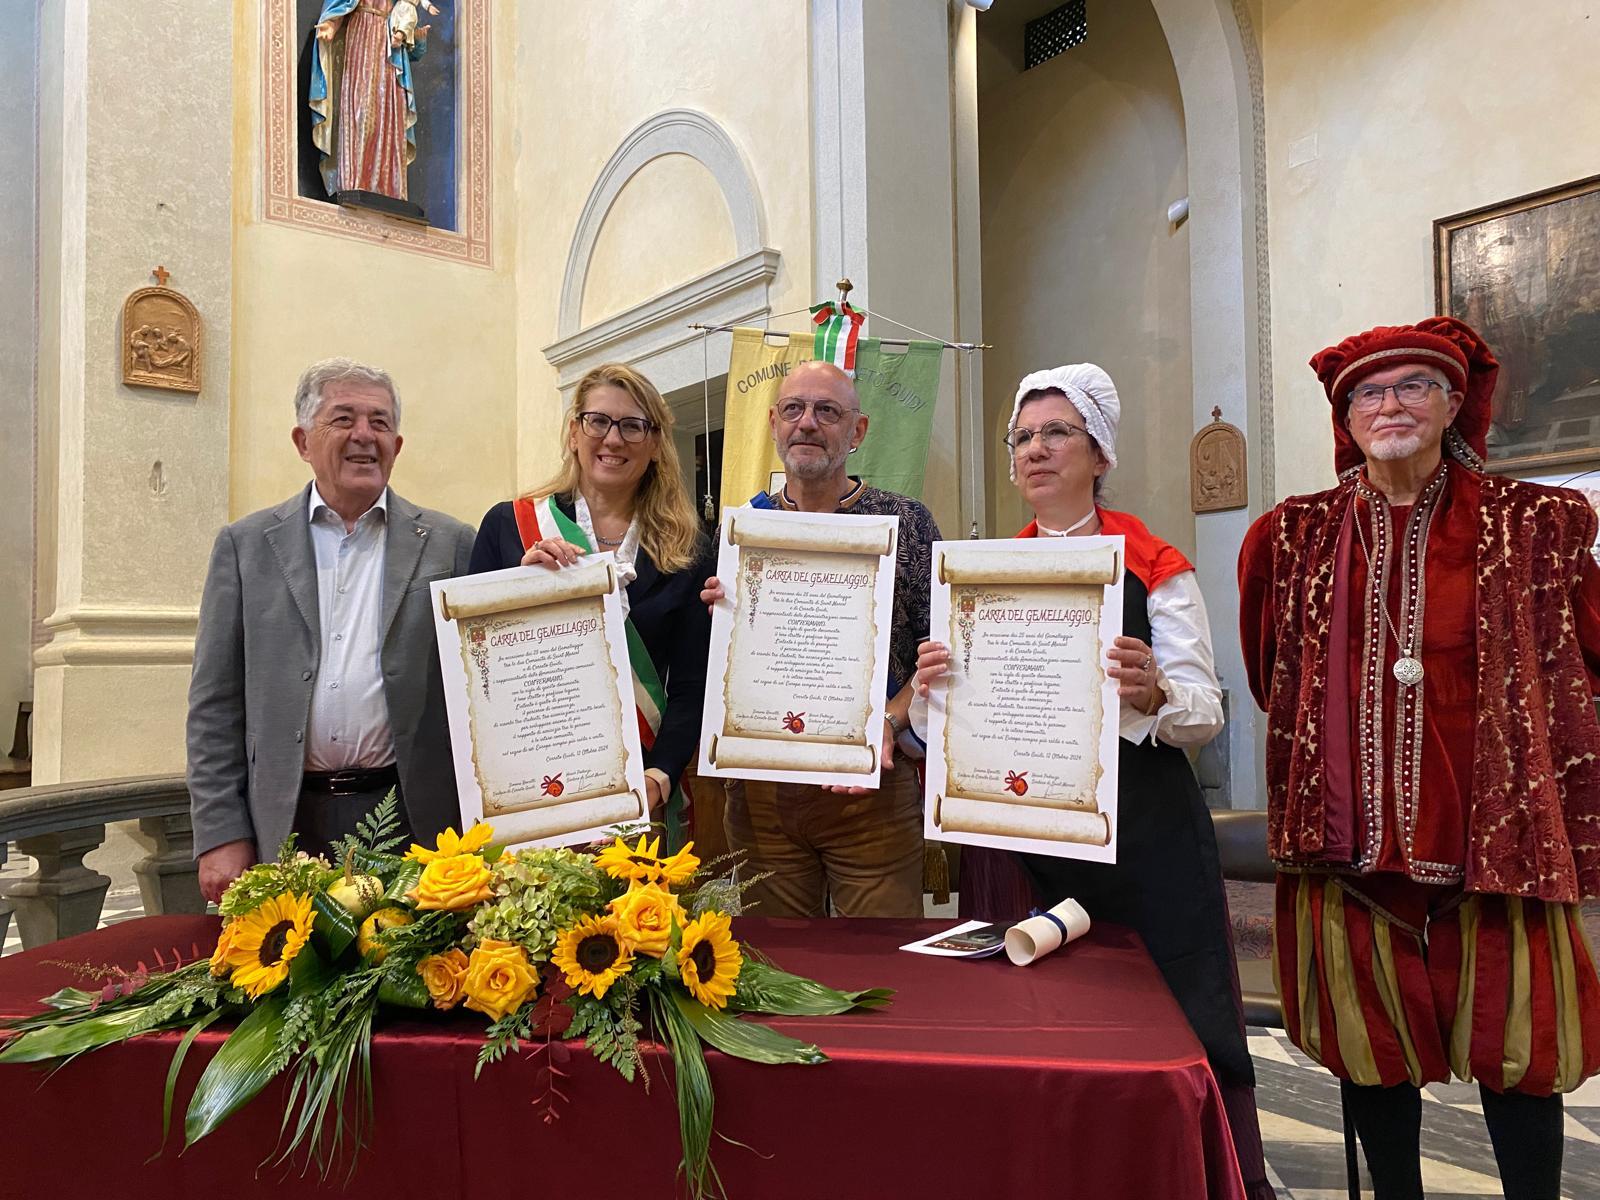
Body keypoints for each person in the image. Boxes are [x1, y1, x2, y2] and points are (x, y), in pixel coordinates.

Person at [1239, 317, 1600, 1200]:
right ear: (1344, 416)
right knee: (1372, 1055)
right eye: (1369, 391)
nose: (1389, 404)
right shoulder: (1290, 539)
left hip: (1499, 843)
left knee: (1521, 1054)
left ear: (1452, 406)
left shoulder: (1537, 524)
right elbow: (1265, 672)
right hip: (1350, 847)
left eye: (1413, 386)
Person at [914, 364, 1272, 1200]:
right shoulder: (984, 571)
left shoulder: (1153, 563)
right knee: (1037, 1017)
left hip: (1143, 837)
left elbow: (1203, 713)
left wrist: (1151, 692)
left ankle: (1183, 1174)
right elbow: (949, 732)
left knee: (1167, 1016)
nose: (1035, 450)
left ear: (1099, 452)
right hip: (1025, 836)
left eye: (1055, 433)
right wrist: (934, 689)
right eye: (1023, 437)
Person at [188, 358, 475, 902]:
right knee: (290, 978)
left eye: (380, 422)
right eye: (343, 419)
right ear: (302, 440)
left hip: (415, 820)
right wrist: (222, 830)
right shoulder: (245, 547)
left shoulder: (451, 543)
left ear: (398, 443)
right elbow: (214, 703)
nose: (365, 435)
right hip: (287, 820)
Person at [701, 360, 940, 918]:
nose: (807, 423)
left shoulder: (906, 522)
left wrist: (888, 721)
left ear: (856, 431)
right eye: (794, 409)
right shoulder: (740, 532)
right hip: (760, 796)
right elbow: (713, 663)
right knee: (777, 973)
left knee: (884, 970)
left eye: (827, 411)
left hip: (871, 793)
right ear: (773, 423)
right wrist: (718, 618)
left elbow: (942, 656)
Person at [470, 363, 711, 849]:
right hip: (531, 784)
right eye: (598, 420)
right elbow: (474, 674)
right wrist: (519, 586)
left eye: (633, 425)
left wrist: (660, 777)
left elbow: (691, 685)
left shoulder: (687, 549)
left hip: (637, 788)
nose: (613, 439)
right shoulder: (509, 527)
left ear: (655, 443)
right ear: (574, 431)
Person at [311, 0, 427, 202]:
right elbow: (342, 5)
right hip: (362, 40)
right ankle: (355, 182)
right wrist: (331, 24)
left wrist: (415, 37)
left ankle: (389, 188)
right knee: (361, 113)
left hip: (390, 49)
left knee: (392, 116)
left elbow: (407, 27)